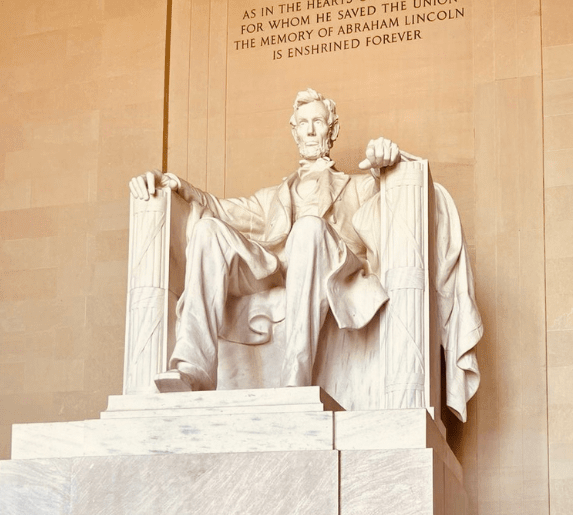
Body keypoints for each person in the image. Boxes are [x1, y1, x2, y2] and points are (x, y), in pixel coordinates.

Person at [129, 88, 399, 392]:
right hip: (276, 272)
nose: (310, 130)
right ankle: (193, 368)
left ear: (332, 129)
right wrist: (172, 183)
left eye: (319, 122)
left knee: (309, 228)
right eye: (303, 123)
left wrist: (387, 163)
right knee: (208, 230)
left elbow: (389, 199)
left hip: (328, 268)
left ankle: (293, 379)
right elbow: (218, 207)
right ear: (294, 132)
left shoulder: (358, 186)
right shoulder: (272, 198)